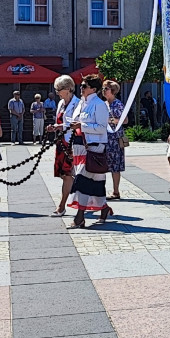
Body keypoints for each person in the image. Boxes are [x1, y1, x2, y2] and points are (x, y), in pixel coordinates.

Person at [67, 75, 114, 227]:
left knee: (82, 180)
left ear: (93, 89)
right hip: (80, 146)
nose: (81, 88)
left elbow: (101, 127)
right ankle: (104, 208)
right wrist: (59, 127)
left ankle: (80, 216)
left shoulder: (99, 105)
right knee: (96, 181)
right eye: (81, 85)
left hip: (94, 147)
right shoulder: (82, 103)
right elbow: (76, 123)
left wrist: (81, 126)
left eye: (84, 86)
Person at [48, 75, 80, 216]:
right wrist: (54, 128)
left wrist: (60, 126)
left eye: (59, 89)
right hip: (61, 141)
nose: (57, 92)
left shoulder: (78, 104)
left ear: (68, 89)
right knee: (63, 174)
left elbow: (77, 124)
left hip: (71, 142)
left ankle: (62, 206)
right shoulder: (61, 103)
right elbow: (60, 121)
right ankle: (76, 194)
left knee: (67, 174)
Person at [102, 80, 127, 200]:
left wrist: (110, 121)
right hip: (105, 138)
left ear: (112, 91)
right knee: (104, 164)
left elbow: (125, 120)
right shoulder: (103, 104)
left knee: (115, 165)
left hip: (115, 138)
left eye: (106, 89)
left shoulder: (118, 104)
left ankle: (116, 191)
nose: (103, 91)